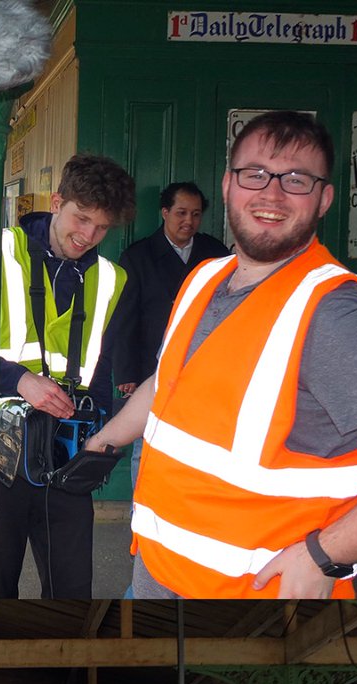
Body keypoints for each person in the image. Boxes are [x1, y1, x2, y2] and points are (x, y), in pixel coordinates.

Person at [87, 110, 357, 599]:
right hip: (155, 578)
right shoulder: (205, 278)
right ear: (229, 185)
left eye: (296, 179)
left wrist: (326, 553)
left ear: (325, 199)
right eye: (255, 174)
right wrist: (103, 443)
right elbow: (166, 381)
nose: (271, 193)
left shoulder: (339, 312)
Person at [0, 155, 135, 597]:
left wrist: (97, 439)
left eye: (102, 227)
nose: (88, 236)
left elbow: (101, 371)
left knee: (71, 591)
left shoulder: (112, 278)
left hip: (67, 458)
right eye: (81, 219)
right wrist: (21, 381)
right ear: (57, 201)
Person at [112, 182, 230, 486]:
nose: (188, 221)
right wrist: (126, 372)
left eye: (195, 214)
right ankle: (143, 511)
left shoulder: (215, 253)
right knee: (147, 445)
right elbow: (125, 319)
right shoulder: (138, 257)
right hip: (154, 368)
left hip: (205, 368)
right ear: (165, 213)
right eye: (180, 213)